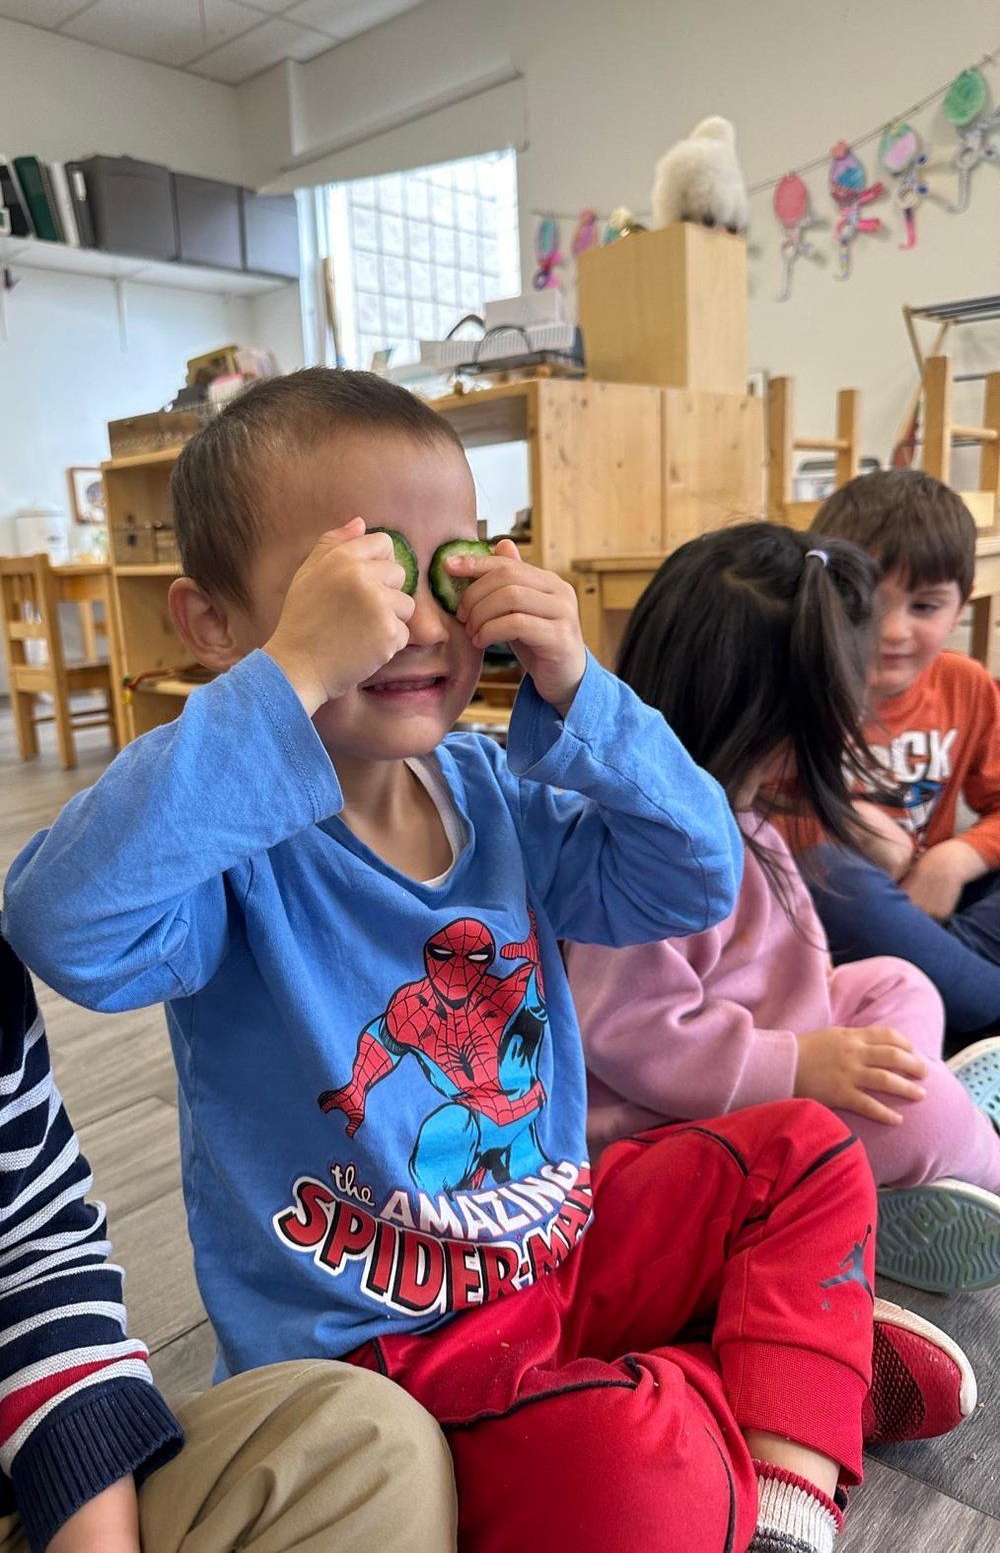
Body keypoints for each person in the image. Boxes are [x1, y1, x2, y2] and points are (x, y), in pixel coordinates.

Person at [0, 371, 969, 1553]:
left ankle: (781, 1484)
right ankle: (786, 1375)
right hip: (383, 1345)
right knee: (641, 1480)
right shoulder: (226, 849)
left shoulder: (494, 791)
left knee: (809, 1152)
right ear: (212, 625)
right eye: (356, 580)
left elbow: (690, 874)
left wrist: (580, 685)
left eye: (452, 570)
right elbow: (63, 924)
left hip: (554, 1245)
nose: (416, 623)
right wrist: (286, 680)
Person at [566, 522, 1000, 1295]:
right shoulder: (646, 858)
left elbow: (775, 968)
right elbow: (630, 1036)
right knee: (925, 1109)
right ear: (781, 723)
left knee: (901, 982)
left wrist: (821, 1053)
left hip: (758, 1046)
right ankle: (971, 1164)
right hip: (664, 1129)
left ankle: (895, 1180)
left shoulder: (739, 808)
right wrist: (800, 1065)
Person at [0, 930, 456, 1553]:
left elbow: (32, 1245)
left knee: (374, 1446)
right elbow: (62, 927)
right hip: (363, 1313)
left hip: (35, 1478)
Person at [805, 469, 1000, 1047]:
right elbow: (742, 822)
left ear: (961, 606)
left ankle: (945, 996)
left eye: (925, 606)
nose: (892, 631)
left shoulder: (965, 684)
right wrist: (837, 827)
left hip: (931, 904)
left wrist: (956, 859)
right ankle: (977, 1006)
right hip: (832, 919)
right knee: (835, 875)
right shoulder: (795, 684)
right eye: (865, 605)